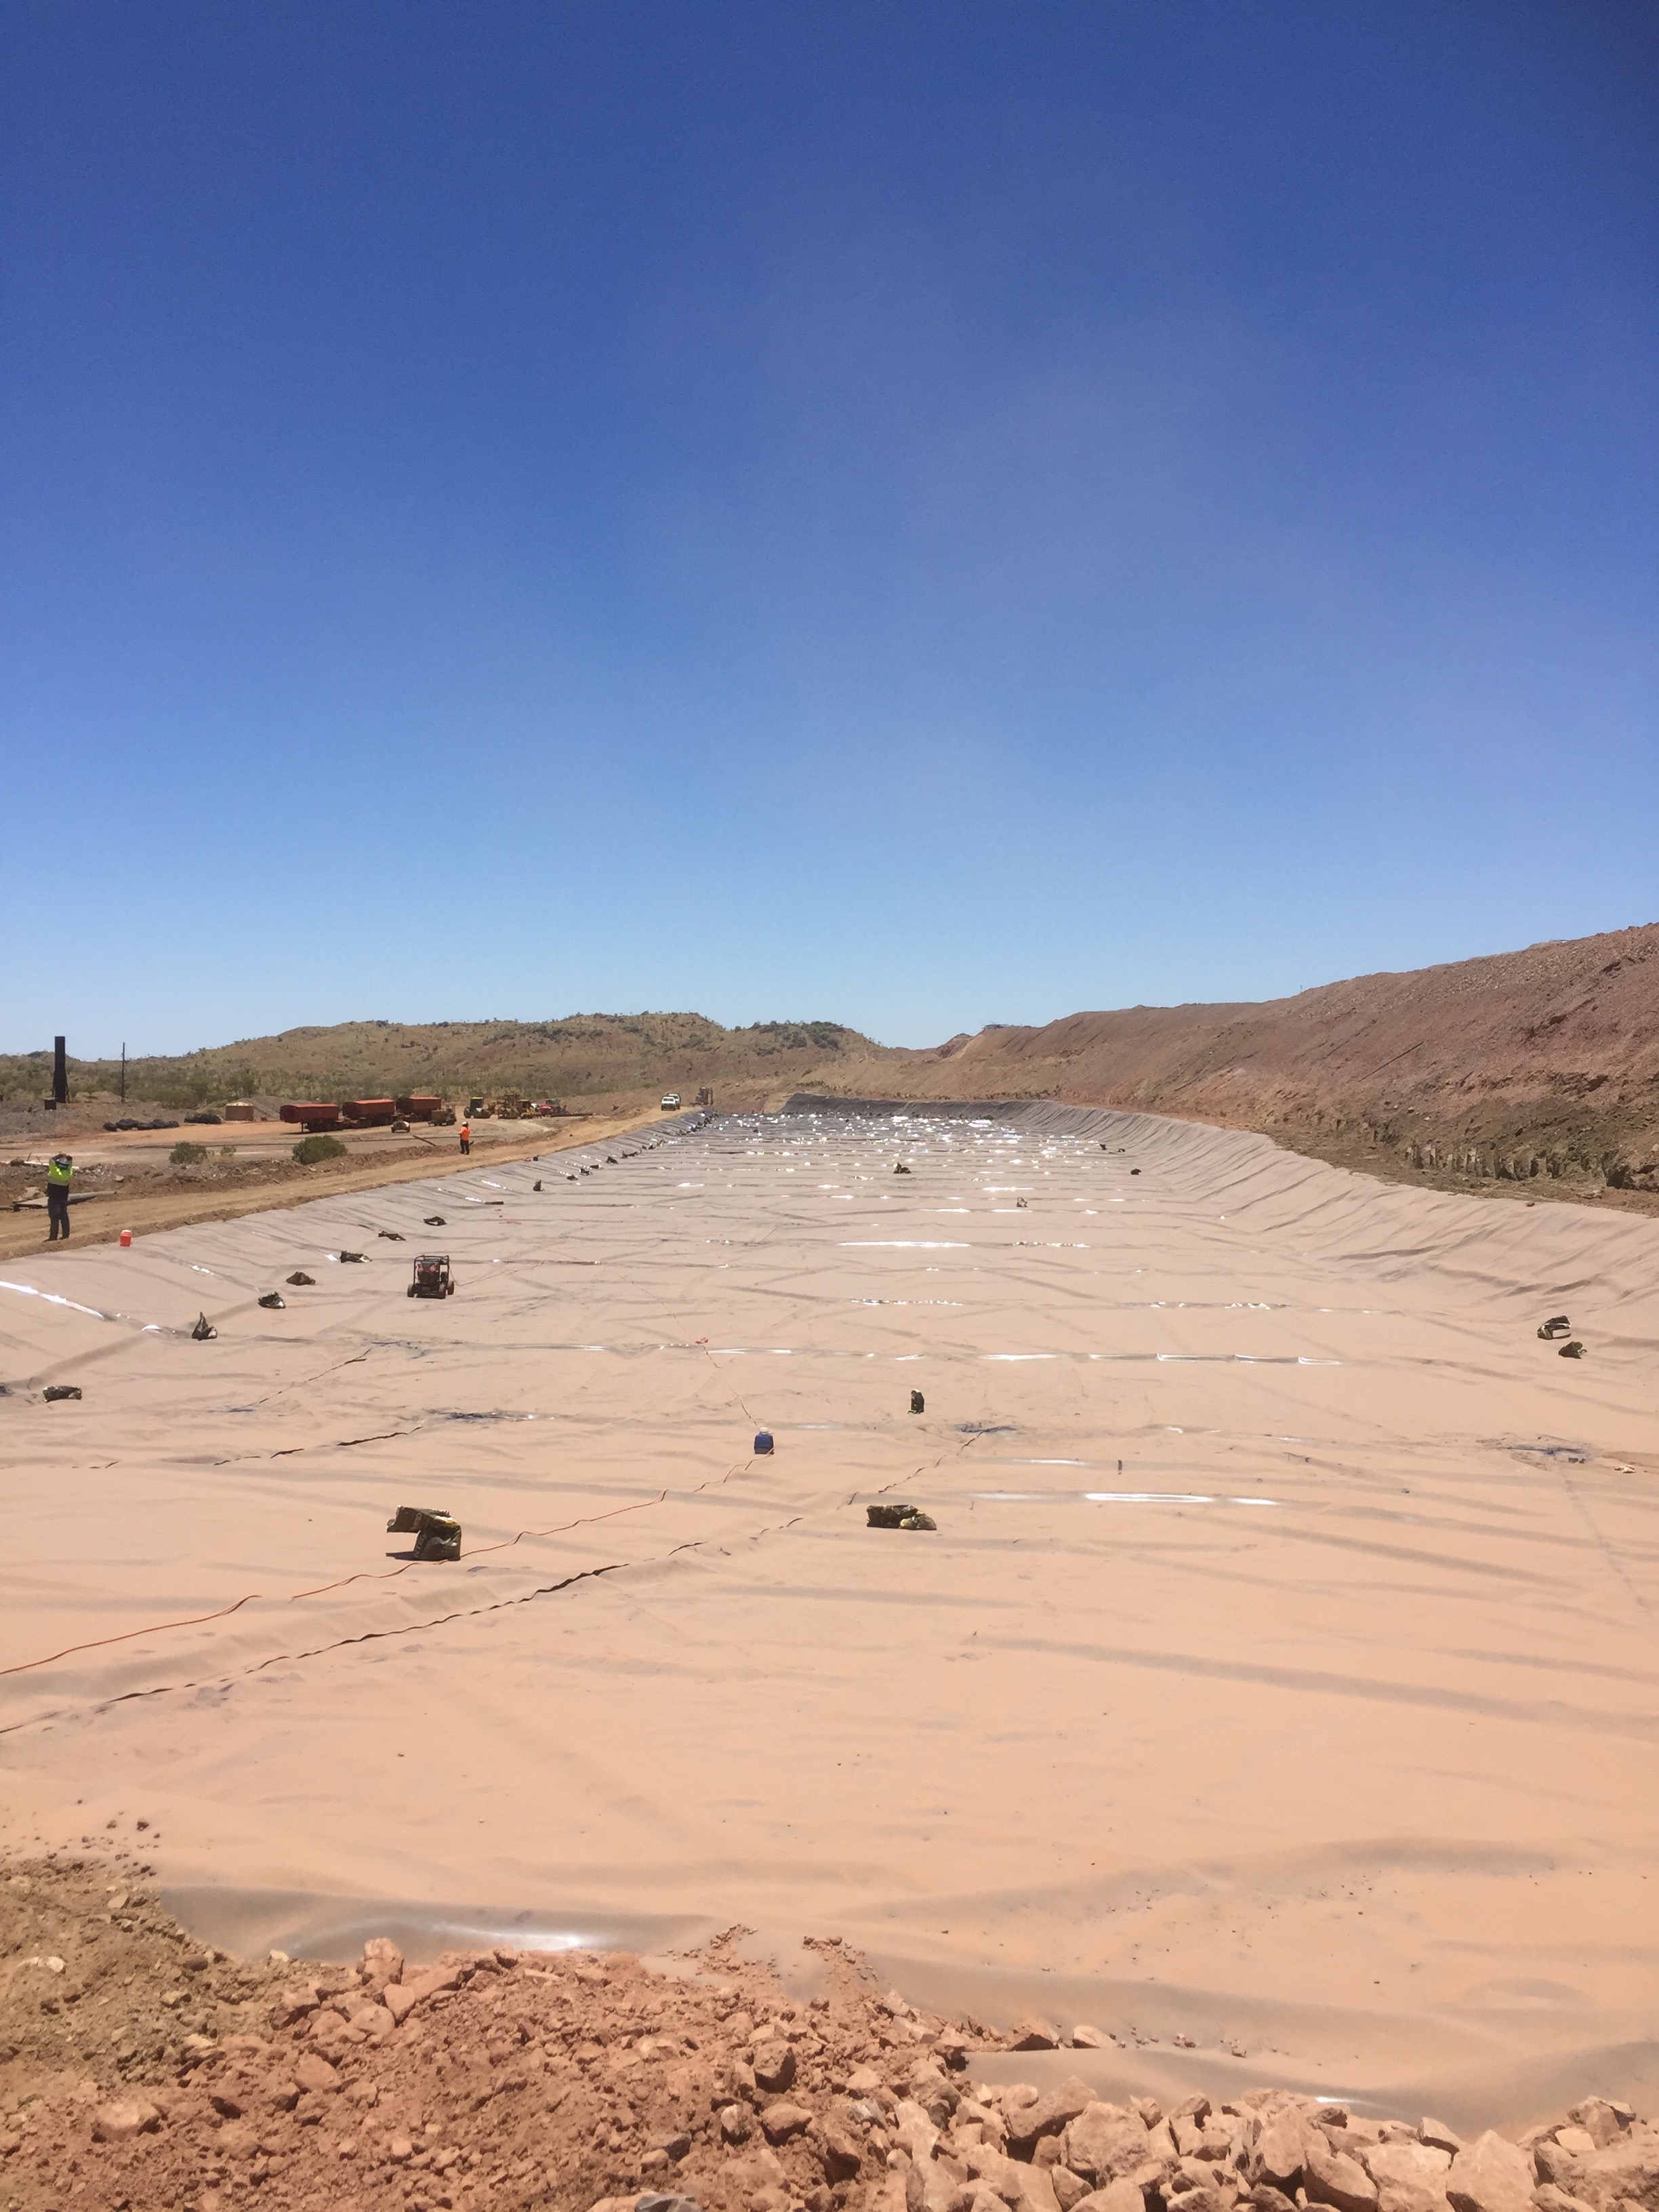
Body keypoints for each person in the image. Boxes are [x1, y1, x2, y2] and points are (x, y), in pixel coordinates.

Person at [46, 1153, 74, 1242]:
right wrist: (68, 1159)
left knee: (54, 1217)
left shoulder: (55, 1172)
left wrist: (59, 1156)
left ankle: (53, 1236)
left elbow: (51, 1161)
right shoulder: (68, 1172)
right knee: (64, 1215)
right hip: (63, 1195)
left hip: (54, 1196)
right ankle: (66, 1235)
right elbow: (70, 1165)